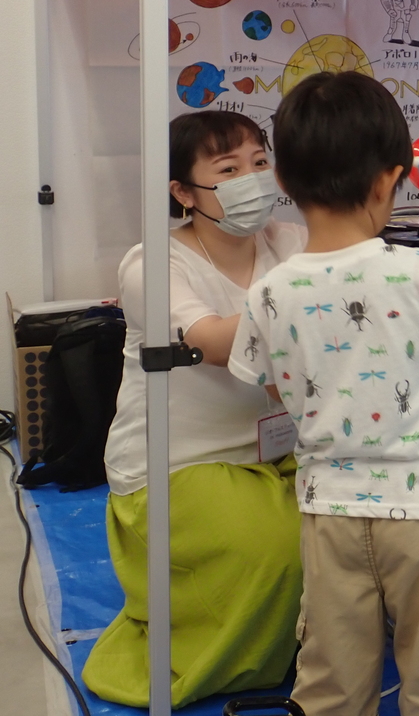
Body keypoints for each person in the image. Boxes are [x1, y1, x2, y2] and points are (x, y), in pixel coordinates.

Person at [227, 71, 419, 716]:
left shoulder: (269, 291)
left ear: (283, 181)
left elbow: (271, 383)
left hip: (329, 512)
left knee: (332, 679)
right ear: (388, 181)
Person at [84, 111, 306, 708]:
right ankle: (229, 662)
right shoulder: (152, 263)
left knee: (356, 530)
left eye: (259, 163)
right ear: (183, 192)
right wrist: (316, 298)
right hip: (178, 464)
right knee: (278, 550)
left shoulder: (290, 242)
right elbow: (211, 341)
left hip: (281, 450)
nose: (252, 179)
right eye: (228, 170)